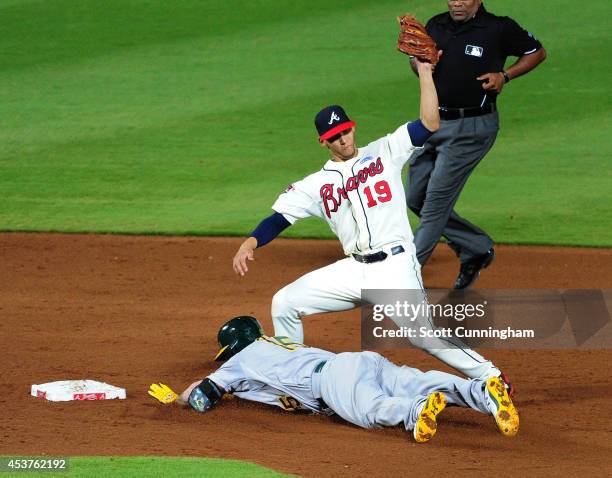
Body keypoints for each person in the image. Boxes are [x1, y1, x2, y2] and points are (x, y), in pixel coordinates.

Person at [231, 58, 513, 390]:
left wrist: (425, 73)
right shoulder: (315, 184)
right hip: (353, 270)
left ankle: (491, 376)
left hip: (394, 265)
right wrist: (250, 243)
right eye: (335, 137)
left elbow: (430, 122)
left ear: (354, 126)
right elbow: (278, 218)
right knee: (285, 302)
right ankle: (296, 380)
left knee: (422, 335)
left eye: (346, 131)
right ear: (323, 141)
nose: (344, 140)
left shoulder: (385, 151)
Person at [148, 316, 519, 443]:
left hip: (331, 382)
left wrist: (177, 400)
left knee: (370, 410)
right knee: (414, 379)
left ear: (233, 347)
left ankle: (416, 412)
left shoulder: (238, 361)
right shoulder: (274, 344)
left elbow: (202, 398)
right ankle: (481, 391)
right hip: (356, 360)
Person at [406, 0, 546, 289]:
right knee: (414, 198)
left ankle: (404, 276)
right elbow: (419, 67)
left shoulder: (497, 28)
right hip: (431, 121)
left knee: (434, 205)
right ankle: (476, 246)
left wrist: (505, 75)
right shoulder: (436, 25)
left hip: (471, 129)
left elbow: (536, 51)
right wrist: (418, 62)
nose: (456, 2)